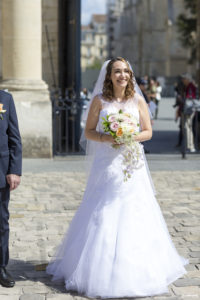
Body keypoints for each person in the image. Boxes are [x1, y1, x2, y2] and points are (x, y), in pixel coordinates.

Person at [46, 57, 188, 298]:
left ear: (130, 75)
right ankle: (97, 268)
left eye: (126, 71)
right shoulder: (99, 101)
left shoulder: (138, 100)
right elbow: (88, 132)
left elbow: (148, 131)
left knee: (136, 208)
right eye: (117, 71)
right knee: (104, 209)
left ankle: (138, 268)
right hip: (107, 164)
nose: (122, 75)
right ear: (109, 76)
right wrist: (108, 138)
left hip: (132, 164)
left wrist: (130, 136)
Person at [0, 90, 22, 287]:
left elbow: (14, 137)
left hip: (0, 171)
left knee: (1, 222)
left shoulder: (5, 99)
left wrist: (14, 170)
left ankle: (1, 266)